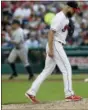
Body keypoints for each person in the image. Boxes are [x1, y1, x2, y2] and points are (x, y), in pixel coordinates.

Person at [25, 1, 82, 103]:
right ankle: (69, 94)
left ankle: (31, 92)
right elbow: (51, 33)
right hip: (55, 44)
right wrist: (51, 50)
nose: (74, 12)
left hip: (56, 44)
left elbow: (62, 30)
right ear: (68, 7)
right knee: (67, 68)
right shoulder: (59, 17)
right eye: (74, 10)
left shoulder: (66, 18)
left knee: (47, 71)